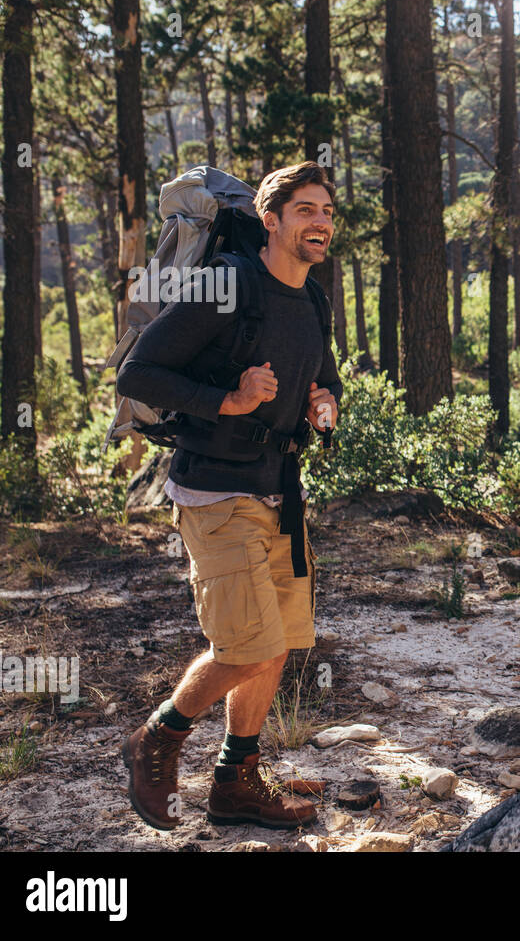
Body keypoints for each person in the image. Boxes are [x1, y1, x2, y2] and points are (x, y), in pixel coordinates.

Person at [116, 162, 342, 829]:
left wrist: (325, 405)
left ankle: (235, 781)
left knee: (273, 646)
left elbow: (322, 386)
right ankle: (155, 739)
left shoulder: (315, 299)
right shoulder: (228, 284)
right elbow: (139, 372)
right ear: (270, 221)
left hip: (280, 493)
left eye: (327, 210)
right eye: (305, 209)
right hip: (214, 489)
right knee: (242, 646)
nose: (321, 221)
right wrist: (229, 399)